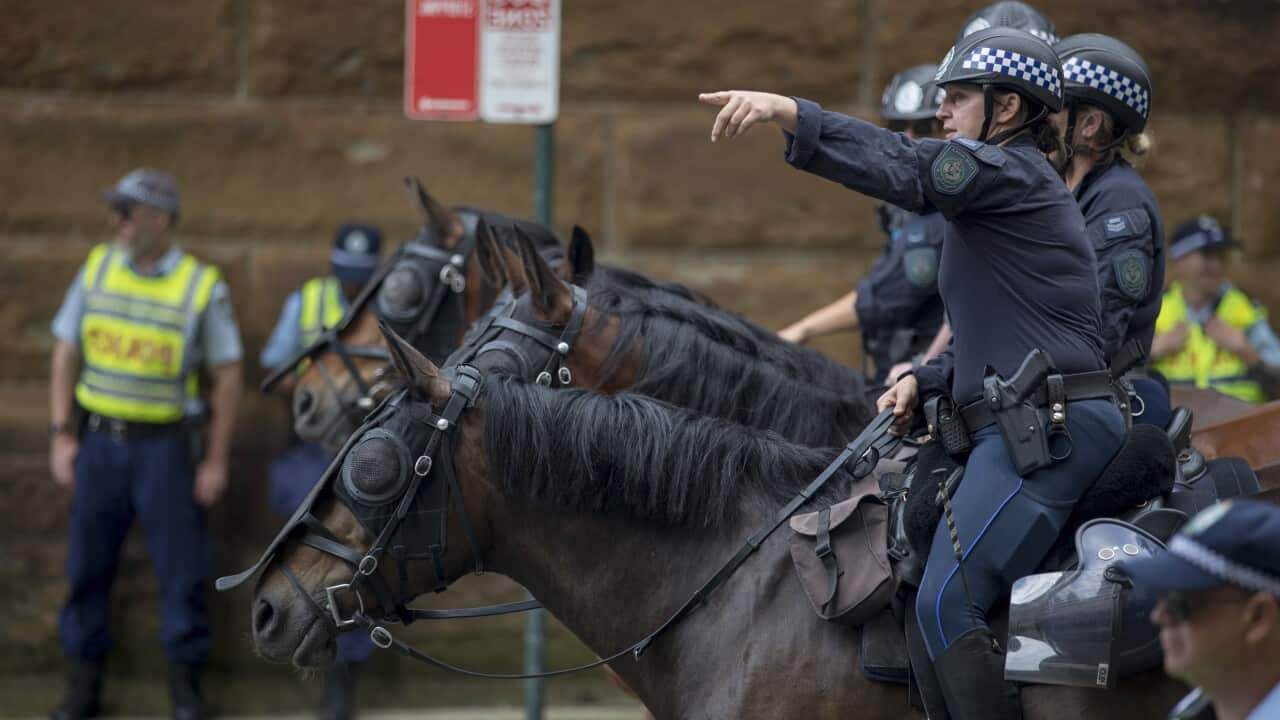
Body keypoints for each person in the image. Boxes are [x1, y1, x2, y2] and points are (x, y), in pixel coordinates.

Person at [700, 26, 1125, 720]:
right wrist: (925, 380)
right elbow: (1008, 335)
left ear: (1008, 110)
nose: (942, 114)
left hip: (1051, 431)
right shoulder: (1001, 194)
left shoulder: (1008, 173)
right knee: (922, 590)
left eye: (957, 99)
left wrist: (790, 111)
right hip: (1016, 423)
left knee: (946, 602)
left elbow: (904, 163)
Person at [48, 169, 244, 720]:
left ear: (159, 220)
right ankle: (83, 686)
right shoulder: (97, 267)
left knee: (181, 573)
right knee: (87, 567)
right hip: (100, 445)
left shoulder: (202, 286)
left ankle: (185, 693)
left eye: (125, 213)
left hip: (166, 451)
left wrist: (216, 459)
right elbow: (65, 352)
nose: (116, 223)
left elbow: (228, 374)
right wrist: (62, 435)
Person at [259, 222, 383, 720]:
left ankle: (342, 678)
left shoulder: (389, 306)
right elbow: (276, 371)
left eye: (362, 277)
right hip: (313, 450)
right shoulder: (307, 302)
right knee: (305, 559)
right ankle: (296, 649)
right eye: (345, 275)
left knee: (352, 570)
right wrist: (325, 386)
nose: (352, 285)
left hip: (366, 451)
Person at [778, 64, 946, 385]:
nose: (908, 139)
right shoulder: (909, 211)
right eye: (897, 127)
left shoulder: (939, 217)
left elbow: (883, 298)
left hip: (927, 383)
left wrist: (804, 329)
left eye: (923, 127)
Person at [1050, 33, 1170, 426]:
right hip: (1057, 397)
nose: (1039, 120)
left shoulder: (1121, 203)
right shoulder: (1064, 189)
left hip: (1096, 407)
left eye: (1052, 108)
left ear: (1089, 124)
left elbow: (1094, 335)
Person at [1120, 499, 1280, 720]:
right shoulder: (1193, 711)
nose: (1158, 616)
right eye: (1161, 595)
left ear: (1258, 617)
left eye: (1179, 602)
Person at [1151, 216, 1280, 403]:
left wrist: (1246, 352)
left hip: (1240, 425)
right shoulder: (1156, 310)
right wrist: (1153, 352)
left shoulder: (1245, 309)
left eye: (1221, 256)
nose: (1216, 265)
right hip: (1172, 425)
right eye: (1206, 255)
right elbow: (1119, 379)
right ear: (1179, 260)